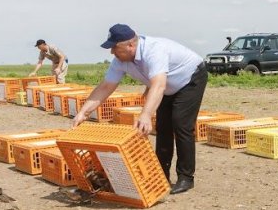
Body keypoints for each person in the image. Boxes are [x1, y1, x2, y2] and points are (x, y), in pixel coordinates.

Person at [73, 24, 208, 194]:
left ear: (130, 45)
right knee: (163, 127)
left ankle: (186, 178)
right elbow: (106, 87)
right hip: (165, 86)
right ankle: (161, 175)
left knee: (181, 124)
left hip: (189, 78)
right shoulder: (120, 61)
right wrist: (83, 113)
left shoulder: (154, 50)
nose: (112, 52)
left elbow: (158, 84)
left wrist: (145, 114)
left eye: (115, 47)